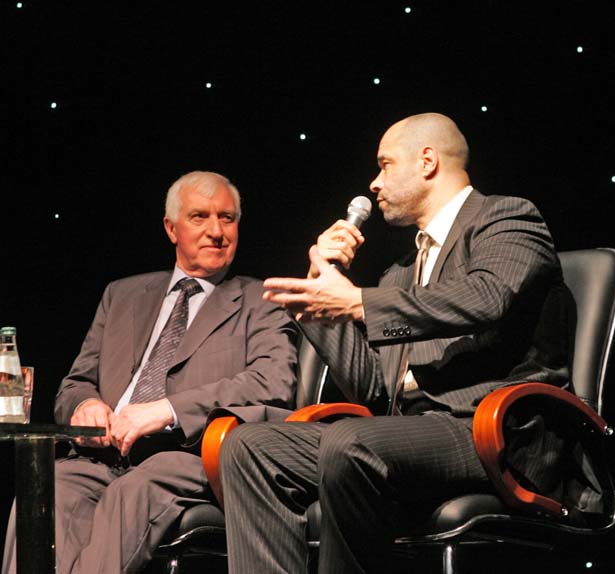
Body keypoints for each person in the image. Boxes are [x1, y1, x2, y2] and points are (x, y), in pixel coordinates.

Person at [218, 112, 576, 574]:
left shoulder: (506, 218)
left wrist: (358, 303)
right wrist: (320, 290)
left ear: (427, 161)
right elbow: (372, 387)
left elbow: (487, 297)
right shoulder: (401, 272)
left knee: (349, 442)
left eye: (385, 164)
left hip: (487, 430)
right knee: (249, 448)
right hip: (404, 433)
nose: (374, 182)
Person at [1, 171, 298, 574]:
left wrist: (168, 409)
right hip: (100, 456)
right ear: (170, 228)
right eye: (200, 217)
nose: (216, 231)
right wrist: (86, 404)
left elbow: (274, 383)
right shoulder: (122, 295)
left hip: (185, 456)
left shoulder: (260, 300)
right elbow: (76, 382)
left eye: (227, 218)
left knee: (131, 496)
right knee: (44, 489)